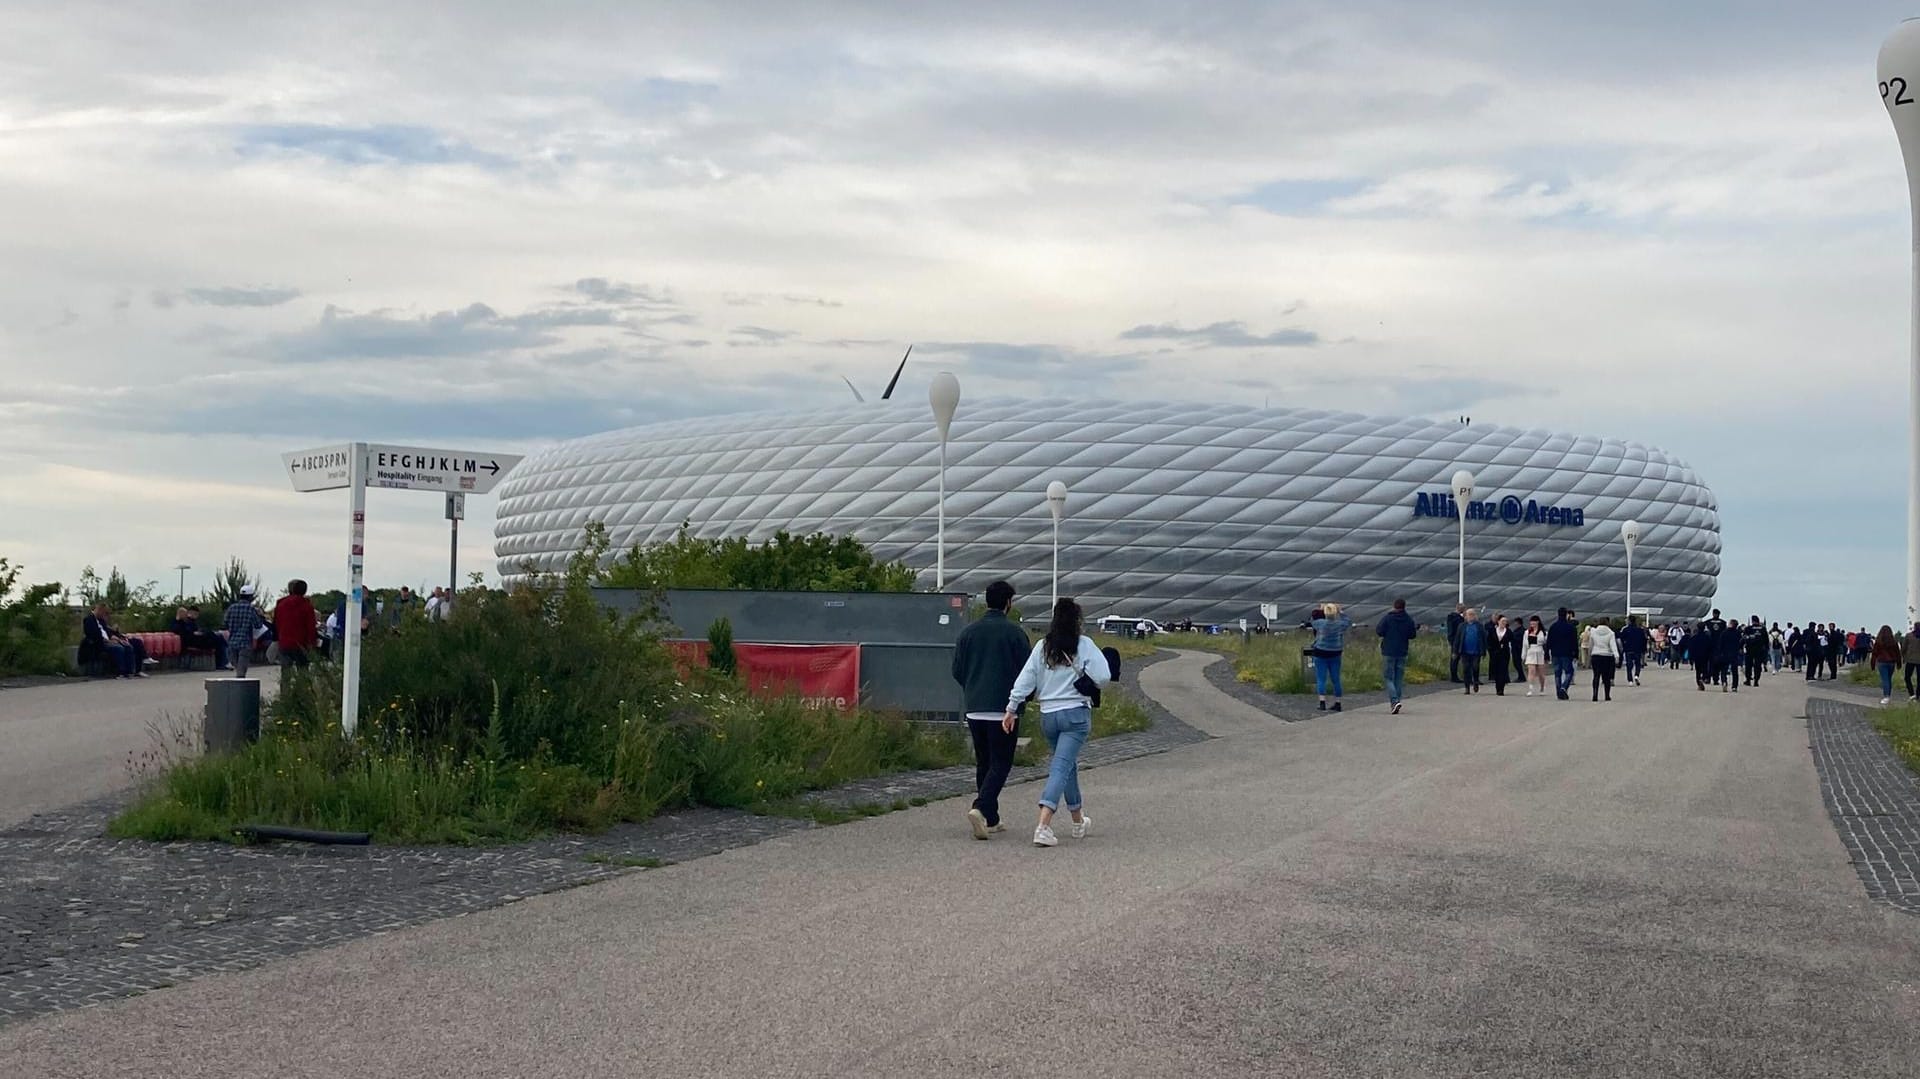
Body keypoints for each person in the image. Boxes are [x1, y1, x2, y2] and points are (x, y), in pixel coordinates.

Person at [1004, 597, 1110, 848]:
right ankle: (1043, 825)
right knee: (1061, 767)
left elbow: (1025, 680)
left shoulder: (1043, 647)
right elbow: (1104, 677)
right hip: (1075, 715)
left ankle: (1077, 821)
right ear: (1077, 621)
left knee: (1067, 766)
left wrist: (1011, 708)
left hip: (1048, 715)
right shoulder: (1084, 645)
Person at [953, 580, 1031, 840]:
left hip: (975, 707)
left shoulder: (968, 633)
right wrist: (1024, 700)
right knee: (1001, 762)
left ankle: (992, 818)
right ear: (1008, 603)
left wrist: (973, 688)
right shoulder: (1015, 634)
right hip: (1005, 708)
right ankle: (980, 807)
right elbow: (1027, 673)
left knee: (984, 762)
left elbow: (957, 670)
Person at [81, 603, 150, 678]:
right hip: (99, 643)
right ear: (99, 610)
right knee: (118, 648)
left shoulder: (101, 621)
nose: (104, 615)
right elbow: (93, 635)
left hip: (109, 640)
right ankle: (121, 672)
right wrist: (108, 640)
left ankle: (130, 671)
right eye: (104, 613)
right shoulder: (89, 620)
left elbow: (107, 632)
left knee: (128, 646)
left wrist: (116, 638)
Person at [1375, 599, 1418, 715]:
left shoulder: (1388, 618)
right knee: (1398, 678)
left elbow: (1379, 631)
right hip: (1402, 651)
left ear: (1394, 606)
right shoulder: (1408, 619)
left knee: (1388, 677)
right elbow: (1413, 635)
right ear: (1404, 606)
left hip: (1388, 650)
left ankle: (1394, 701)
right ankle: (1396, 701)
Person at [1311, 602, 1354, 712]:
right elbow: (1348, 621)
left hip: (1321, 651)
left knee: (1321, 678)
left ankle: (1322, 702)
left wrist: (1321, 609)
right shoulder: (1340, 624)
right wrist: (1341, 611)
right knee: (1336, 678)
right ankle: (1338, 703)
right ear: (1335, 613)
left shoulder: (1321, 623)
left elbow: (1312, 620)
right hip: (1335, 652)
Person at [273, 579, 318, 670]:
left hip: (284, 642)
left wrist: (276, 638)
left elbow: (276, 623)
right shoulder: (307, 605)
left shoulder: (281, 604)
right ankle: (302, 684)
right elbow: (311, 626)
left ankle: (285, 684)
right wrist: (312, 643)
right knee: (303, 670)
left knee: (286, 671)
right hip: (301, 643)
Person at [223, 586, 267, 678]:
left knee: (237, 667)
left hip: (232, 643)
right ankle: (240, 689)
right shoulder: (251, 609)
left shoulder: (231, 608)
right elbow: (258, 625)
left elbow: (225, 623)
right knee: (241, 671)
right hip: (245, 643)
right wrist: (261, 616)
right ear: (250, 597)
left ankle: (237, 686)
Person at [170, 604, 230, 670]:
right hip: (191, 641)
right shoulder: (178, 623)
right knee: (218, 640)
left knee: (218, 638)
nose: (186, 615)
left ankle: (223, 662)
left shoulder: (187, 622)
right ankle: (222, 663)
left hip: (195, 639)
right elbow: (185, 632)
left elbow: (194, 630)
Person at [1547, 608, 1580, 700]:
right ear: (1566, 615)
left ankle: (1559, 692)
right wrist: (1576, 654)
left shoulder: (1553, 627)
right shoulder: (1571, 628)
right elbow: (1574, 642)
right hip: (1567, 653)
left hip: (1555, 653)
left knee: (1557, 673)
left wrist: (1547, 652)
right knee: (1569, 672)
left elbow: (1549, 641)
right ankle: (1564, 687)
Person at [1588, 617, 1620, 701]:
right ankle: (1607, 695)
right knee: (1606, 677)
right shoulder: (1611, 633)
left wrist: (1590, 654)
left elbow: (1591, 644)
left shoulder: (1593, 632)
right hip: (1607, 656)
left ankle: (1595, 694)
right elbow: (1613, 645)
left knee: (1596, 675)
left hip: (1595, 655)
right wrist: (1616, 656)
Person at [1488, 613, 1520, 696]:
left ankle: (1501, 689)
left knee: (1503, 670)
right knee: (1496, 671)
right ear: (1498, 621)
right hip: (1495, 654)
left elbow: (1513, 641)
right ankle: (1497, 687)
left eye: (1505, 621)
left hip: (1504, 654)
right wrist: (1491, 650)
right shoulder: (1492, 630)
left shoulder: (1508, 631)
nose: (1504, 622)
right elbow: (1489, 641)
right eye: (1502, 621)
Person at [1873, 625, 1903, 706]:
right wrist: (1899, 664)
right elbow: (1898, 654)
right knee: (1888, 679)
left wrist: (1872, 664)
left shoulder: (1879, 642)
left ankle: (1886, 696)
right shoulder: (1894, 642)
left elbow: (1874, 653)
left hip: (1882, 662)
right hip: (1891, 663)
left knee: (1885, 679)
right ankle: (1888, 695)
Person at [1457, 608, 1485, 694]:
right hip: (1465, 651)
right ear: (1466, 616)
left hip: (1476, 651)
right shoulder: (1462, 626)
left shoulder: (1479, 626)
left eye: (1472, 614)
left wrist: (1484, 651)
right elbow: (1457, 639)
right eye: (1469, 615)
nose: (1471, 616)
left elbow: (1484, 639)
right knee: (1466, 669)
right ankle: (1467, 687)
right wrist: (1455, 651)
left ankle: (1475, 681)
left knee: (1475, 667)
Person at [1523, 615, 1550, 697]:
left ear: (1538, 622)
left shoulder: (1544, 632)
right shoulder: (1527, 632)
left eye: (1534, 622)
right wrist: (1523, 655)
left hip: (1540, 652)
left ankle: (1542, 688)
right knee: (1531, 671)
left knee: (1541, 673)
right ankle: (1530, 689)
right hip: (1531, 651)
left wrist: (1548, 656)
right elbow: (1524, 644)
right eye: (1531, 622)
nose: (1532, 624)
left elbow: (1547, 644)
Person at [1618, 615, 1648, 687]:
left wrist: (1623, 647)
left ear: (1629, 621)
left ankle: (1630, 680)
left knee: (1629, 665)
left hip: (1628, 649)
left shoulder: (1625, 629)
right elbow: (1644, 640)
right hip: (1637, 649)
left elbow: (1621, 638)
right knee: (1638, 664)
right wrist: (1644, 649)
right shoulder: (1640, 630)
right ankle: (1636, 675)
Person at [1741, 616, 1768, 687]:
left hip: (1749, 649)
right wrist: (1766, 650)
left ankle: (1748, 680)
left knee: (1748, 665)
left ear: (1752, 621)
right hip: (1759, 650)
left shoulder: (1748, 628)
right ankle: (1756, 681)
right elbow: (1766, 641)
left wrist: (1741, 647)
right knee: (1758, 666)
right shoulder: (1763, 629)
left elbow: (1744, 638)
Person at [1446, 604, 1466, 683]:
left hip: (1454, 639)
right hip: (1455, 640)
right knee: (1455, 658)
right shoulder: (1456, 618)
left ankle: (1454, 676)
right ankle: (1454, 676)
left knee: (1455, 658)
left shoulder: (1452, 617)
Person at [1905, 623, 1920, 702]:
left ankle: (1911, 694)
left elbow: (1904, 647)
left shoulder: (1909, 636)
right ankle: (1918, 695)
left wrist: (1903, 656)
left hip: (1910, 659)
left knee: (1907, 677)